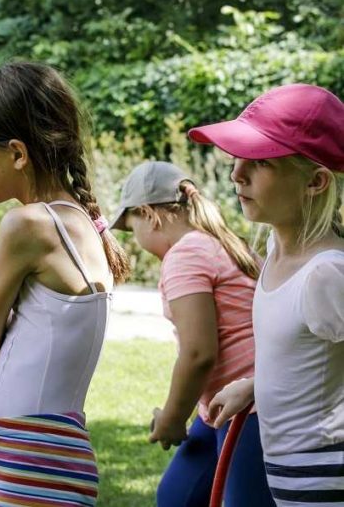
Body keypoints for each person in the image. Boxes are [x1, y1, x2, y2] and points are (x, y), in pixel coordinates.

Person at [0, 61, 130, 506]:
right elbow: (39, 347)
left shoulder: (28, 225)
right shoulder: (81, 221)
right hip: (46, 447)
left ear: (17, 153)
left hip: (33, 452)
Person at [190, 84, 344, 506]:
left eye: (259, 162)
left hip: (322, 473)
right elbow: (316, 359)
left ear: (315, 181)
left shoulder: (327, 273)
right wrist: (255, 386)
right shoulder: (277, 249)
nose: (237, 173)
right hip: (289, 465)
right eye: (237, 158)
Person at [110, 161, 273, 506]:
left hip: (250, 408)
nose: (136, 239)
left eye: (132, 226)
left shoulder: (184, 254)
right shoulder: (224, 243)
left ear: (148, 214)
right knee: (177, 496)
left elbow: (199, 353)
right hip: (219, 406)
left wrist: (171, 418)